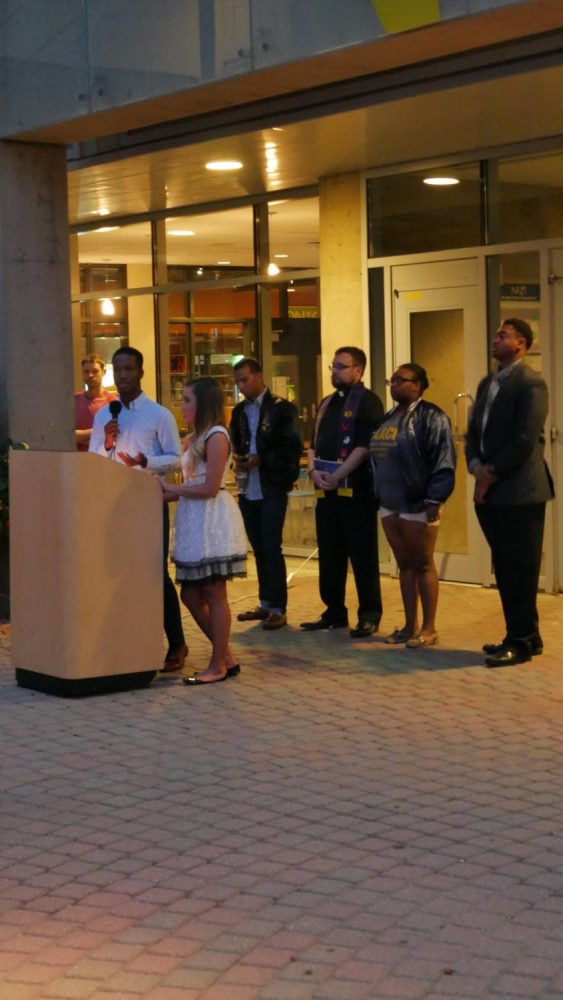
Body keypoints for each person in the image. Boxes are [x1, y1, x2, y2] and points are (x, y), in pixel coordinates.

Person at [89, 346, 188, 673]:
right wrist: (106, 443)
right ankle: (131, 643)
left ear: (141, 372)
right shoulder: (105, 415)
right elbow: (94, 461)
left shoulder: (159, 415)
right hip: (113, 506)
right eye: (117, 370)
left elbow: (176, 457)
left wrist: (147, 461)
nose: (123, 375)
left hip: (148, 501)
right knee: (120, 575)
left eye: (129, 369)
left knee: (153, 574)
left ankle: (177, 644)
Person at [465, 317, 554, 667]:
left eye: (503, 336)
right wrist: (475, 465)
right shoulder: (488, 382)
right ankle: (525, 634)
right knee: (504, 565)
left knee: (520, 567)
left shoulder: (531, 383)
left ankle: (519, 642)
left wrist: (492, 474)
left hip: (519, 490)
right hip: (490, 488)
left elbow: (524, 438)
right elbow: (473, 431)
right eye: (495, 334)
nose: (495, 340)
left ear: (521, 344)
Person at [160, 377, 247, 684]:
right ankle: (226, 656)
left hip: (212, 518)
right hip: (194, 517)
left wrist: (173, 489)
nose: (181, 406)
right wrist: (159, 490)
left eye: (186, 400)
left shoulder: (216, 435)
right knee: (190, 594)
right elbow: (191, 484)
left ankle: (218, 665)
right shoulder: (193, 437)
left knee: (214, 591)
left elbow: (210, 487)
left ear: (204, 403)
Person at [370, 363, 456, 648]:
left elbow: (443, 460)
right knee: (404, 564)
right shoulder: (388, 418)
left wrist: (435, 498)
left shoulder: (432, 417)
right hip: (389, 501)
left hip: (418, 501)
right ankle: (409, 626)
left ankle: (429, 628)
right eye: (391, 380)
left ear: (417, 385)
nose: (393, 385)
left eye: (400, 380)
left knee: (422, 563)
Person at [300, 346, 384, 637]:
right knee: (330, 555)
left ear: (358, 370)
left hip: (356, 493)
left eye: (340, 366)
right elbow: (311, 443)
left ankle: (369, 614)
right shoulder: (326, 403)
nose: (334, 371)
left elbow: (364, 446)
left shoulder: (369, 402)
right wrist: (312, 472)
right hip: (327, 491)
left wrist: (337, 475)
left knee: (362, 556)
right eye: (333, 366)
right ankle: (334, 611)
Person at [230, 358, 303, 630]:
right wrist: (240, 458)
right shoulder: (239, 411)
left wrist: (261, 459)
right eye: (237, 381)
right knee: (258, 547)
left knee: (272, 547)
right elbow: (236, 441)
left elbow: (291, 447)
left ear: (259, 376)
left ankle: (278, 607)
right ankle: (264, 601)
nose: (241, 386)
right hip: (248, 486)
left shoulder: (281, 409)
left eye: (245, 379)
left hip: (272, 484)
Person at [74, 354, 117, 451]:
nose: (90, 375)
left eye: (95, 371)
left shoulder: (113, 402)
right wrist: (99, 430)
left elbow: (114, 439)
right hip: (77, 460)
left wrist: (80, 437)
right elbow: (67, 437)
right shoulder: (74, 401)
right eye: (86, 371)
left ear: (103, 372)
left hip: (103, 460)